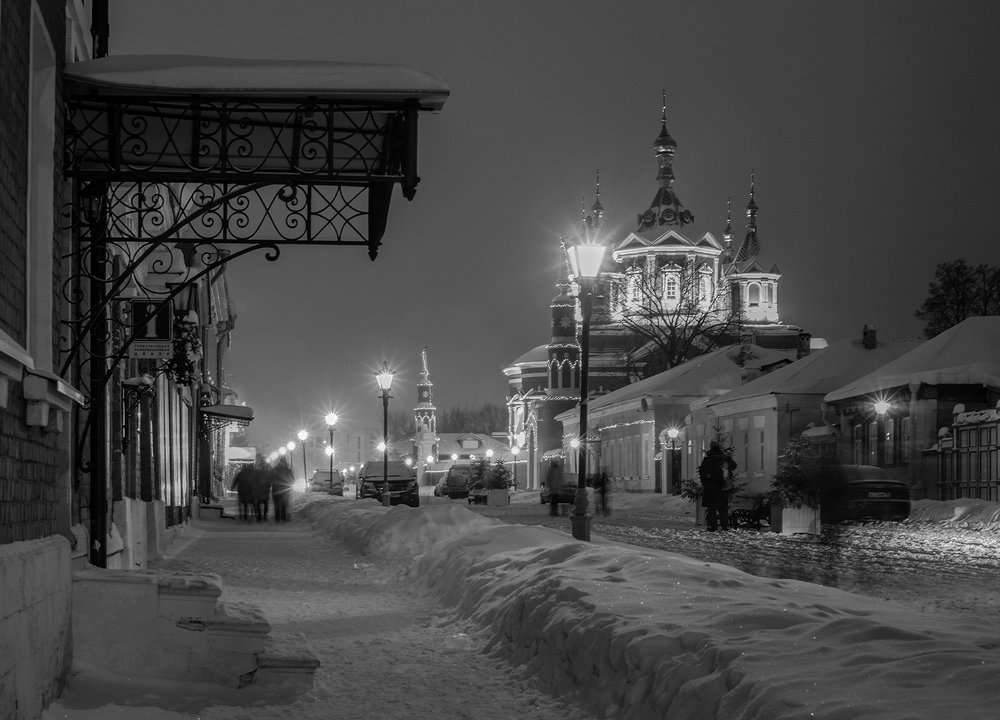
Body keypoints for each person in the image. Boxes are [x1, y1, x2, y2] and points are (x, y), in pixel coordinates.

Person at [698, 440, 736, 531]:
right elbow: (733, 465)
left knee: (711, 509)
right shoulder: (723, 457)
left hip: (710, 488)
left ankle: (713, 526)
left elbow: (702, 471)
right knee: (723, 508)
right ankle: (724, 526)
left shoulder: (708, 459)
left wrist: (705, 482)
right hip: (722, 487)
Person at [272, 457, 295, 522]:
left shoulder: (275, 469)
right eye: (281, 462)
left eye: (282, 462)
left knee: (283, 504)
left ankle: (281, 518)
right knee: (280, 505)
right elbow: (292, 479)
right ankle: (280, 518)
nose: (282, 463)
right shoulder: (286, 470)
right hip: (280, 490)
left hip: (281, 490)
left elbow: (292, 479)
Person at [252, 455, 272, 522]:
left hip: (258, 491)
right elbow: (270, 481)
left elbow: (254, 480)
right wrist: (268, 487)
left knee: (257, 505)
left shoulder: (256, 472)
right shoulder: (268, 472)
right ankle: (264, 516)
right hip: (265, 491)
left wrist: (254, 487)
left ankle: (259, 517)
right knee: (265, 504)